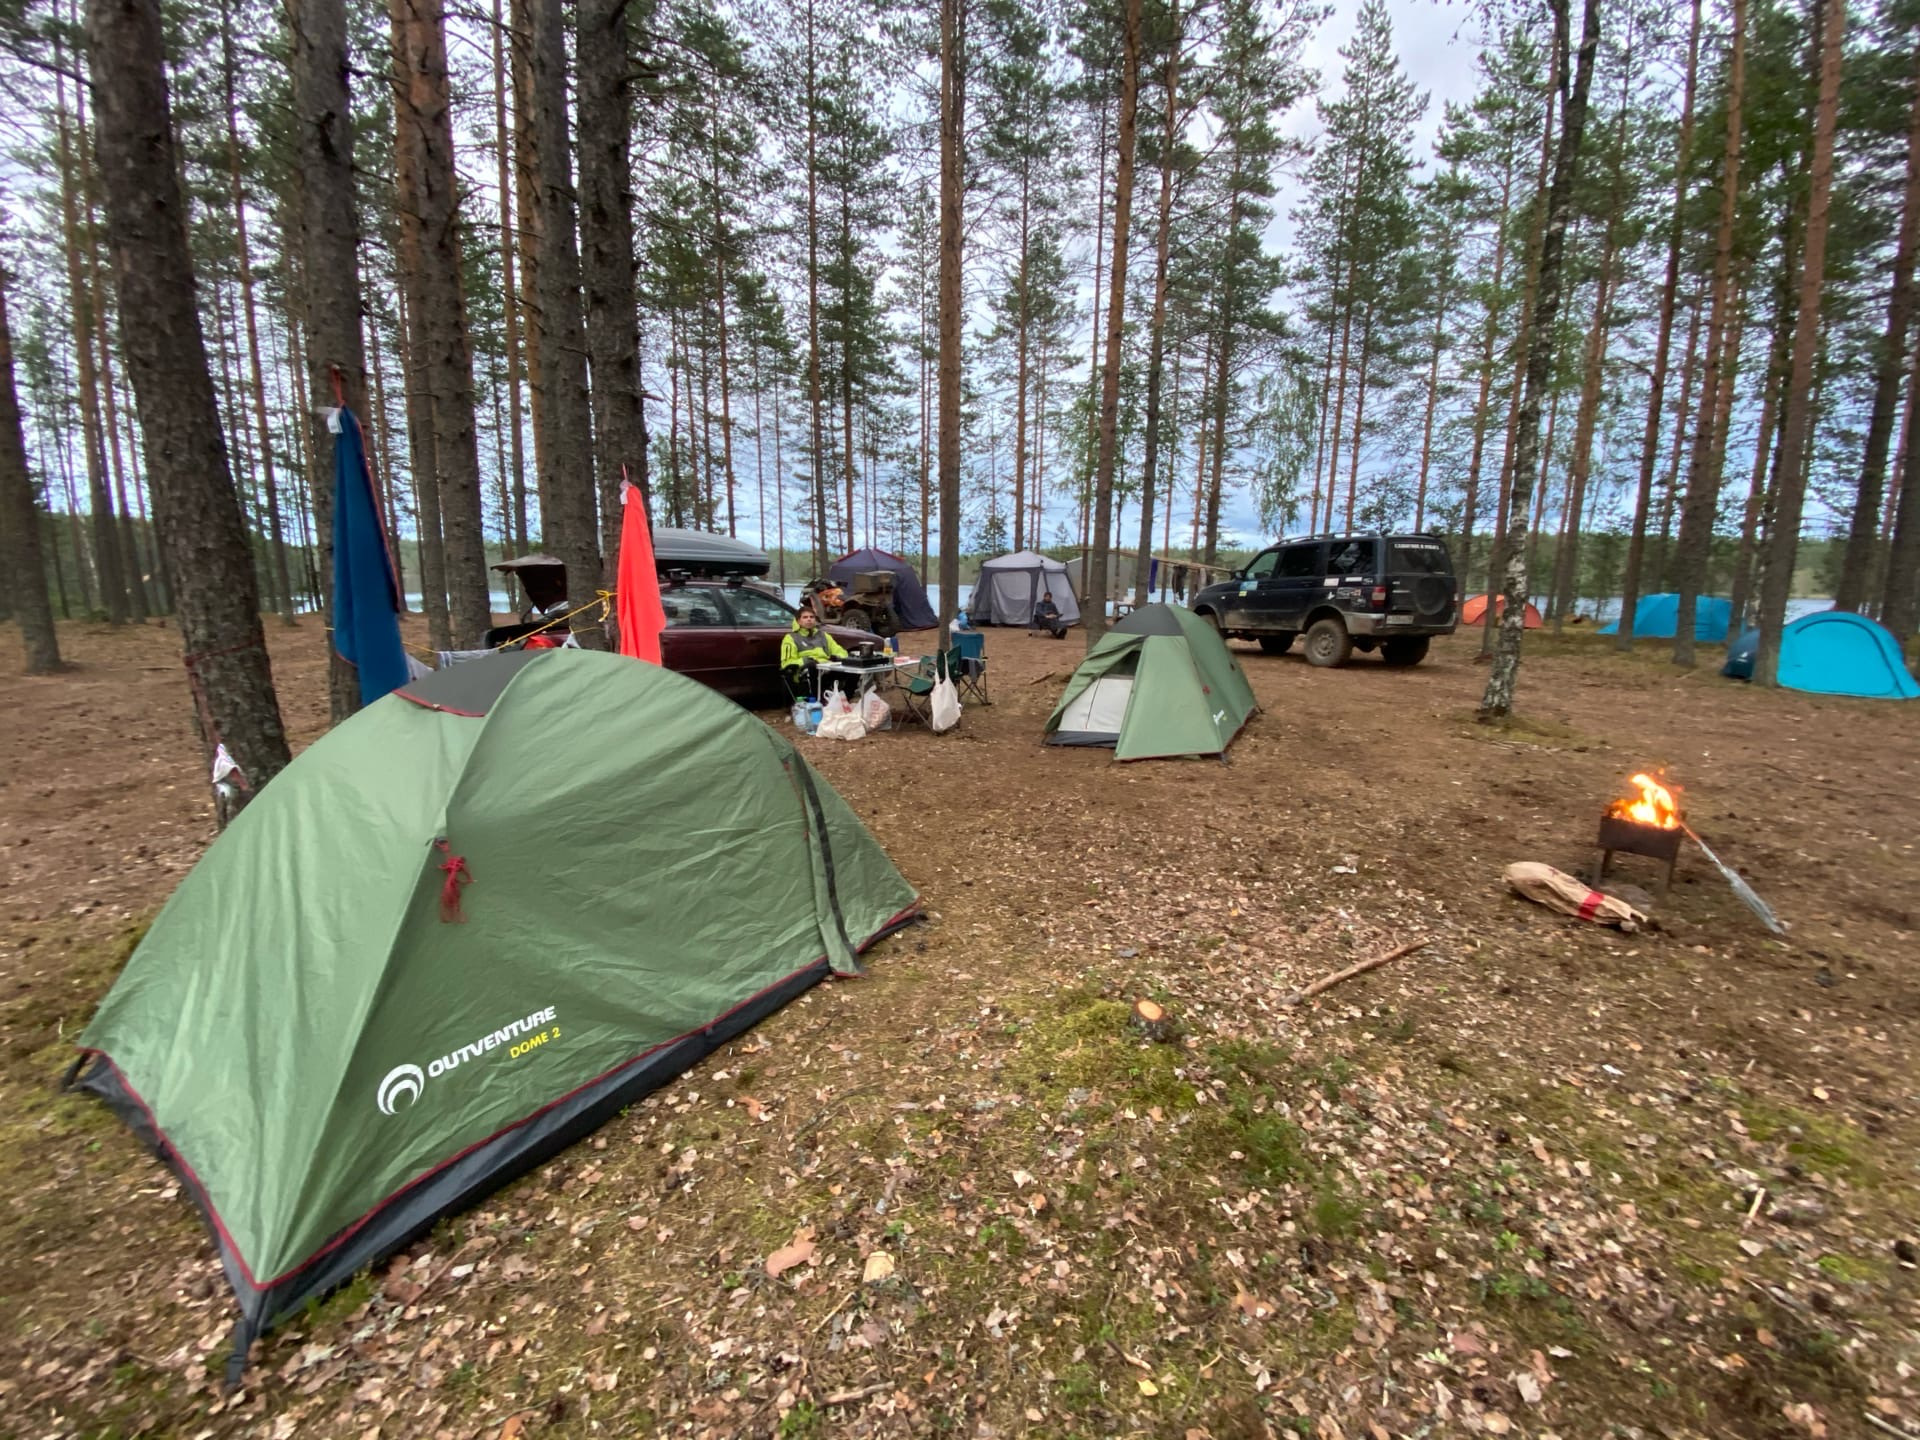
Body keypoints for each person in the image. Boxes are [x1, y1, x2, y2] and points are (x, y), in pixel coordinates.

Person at [780, 605, 849, 698]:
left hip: (826, 669)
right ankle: (816, 702)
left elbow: (841, 652)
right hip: (804, 672)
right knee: (811, 668)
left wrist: (836, 657)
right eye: (805, 617)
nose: (809, 619)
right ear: (798, 621)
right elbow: (787, 663)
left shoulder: (824, 635)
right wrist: (807, 661)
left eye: (812, 617)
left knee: (852, 669)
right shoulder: (790, 638)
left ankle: (846, 699)